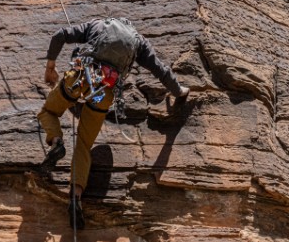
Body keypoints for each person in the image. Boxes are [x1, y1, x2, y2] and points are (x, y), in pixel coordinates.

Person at [37, 17, 189, 229]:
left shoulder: (97, 25)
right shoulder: (138, 43)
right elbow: (160, 69)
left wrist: (50, 67)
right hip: (101, 94)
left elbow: (59, 35)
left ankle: (56, 142)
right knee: (83, 143)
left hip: (78, 79)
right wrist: (178, 90)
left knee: (48, 112)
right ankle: (75, 197)